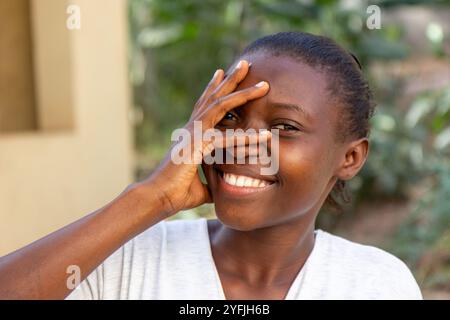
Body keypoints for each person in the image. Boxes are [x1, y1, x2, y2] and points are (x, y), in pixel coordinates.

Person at [0, 32, 422, 300]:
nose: (240, 143)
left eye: (285, 126)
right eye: (230, 117)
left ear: (349, 158)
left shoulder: (374, 283)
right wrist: (152, 197)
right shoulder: (126, 261)